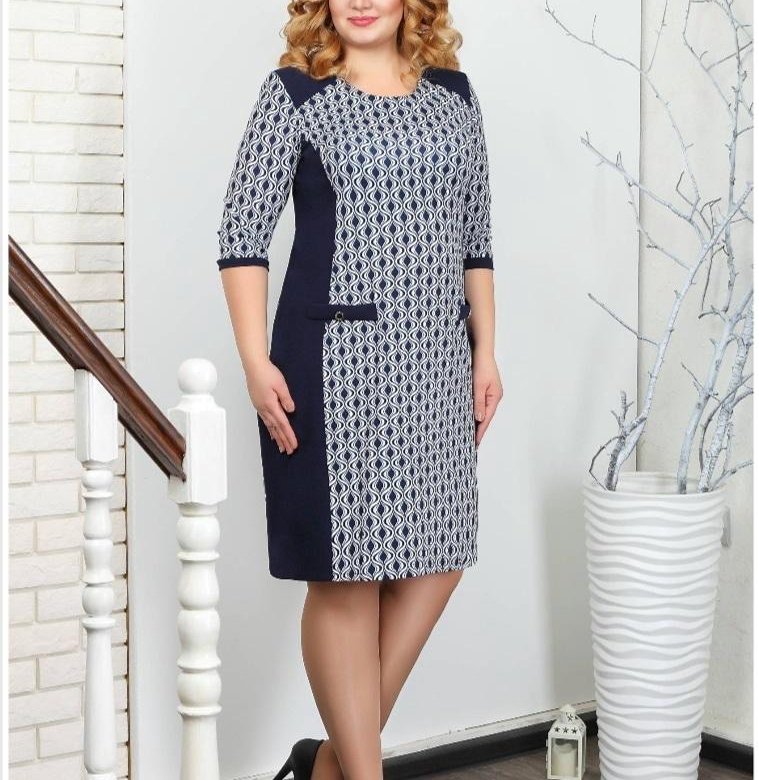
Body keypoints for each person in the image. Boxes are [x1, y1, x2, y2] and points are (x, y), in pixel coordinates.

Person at [216, 1, 502, 778]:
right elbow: (241, 233)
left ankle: (329, 766)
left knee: (437, 558)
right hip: (329, 363)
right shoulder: (294, 92)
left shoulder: (454, 95)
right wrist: (254, 360)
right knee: (345, 576)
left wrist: (486, 350)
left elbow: (475, 238)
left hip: (435, 363)